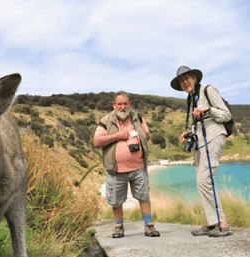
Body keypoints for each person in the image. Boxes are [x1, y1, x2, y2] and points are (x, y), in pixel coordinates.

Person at [170, 66, 233, 237]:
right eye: (181, 81)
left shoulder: (208, 90)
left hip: (213, 138)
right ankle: (212, 223)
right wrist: (189, 133)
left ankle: (223, 224)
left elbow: (227, 115)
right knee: (201, 180)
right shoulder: (191, 98)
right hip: (201, 141)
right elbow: (198, 122)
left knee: (206, 179)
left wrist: (209, 109)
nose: (185, 82)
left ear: (194, 78)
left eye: (187, 78)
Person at [94, 91, 159, 238]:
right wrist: (119, 136)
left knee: (144, 197)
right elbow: (97, 142)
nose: (122, 107)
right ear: (114, 105)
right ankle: (119, 227)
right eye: (119, 104)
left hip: (139, 168)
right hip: (115, 170)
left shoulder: (138, 118)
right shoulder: (105, 120)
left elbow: (147, 136)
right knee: (116, 200)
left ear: (129, 104)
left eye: (125, 104)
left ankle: (149, 226)